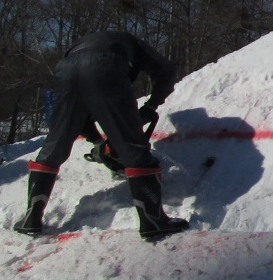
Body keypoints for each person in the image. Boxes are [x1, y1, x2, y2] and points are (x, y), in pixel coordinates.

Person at [14, 31, 189, 241]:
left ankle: (31, 219)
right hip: (105, 65)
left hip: (65, 69)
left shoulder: (83, 43)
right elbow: (167, 71)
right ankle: (153, 222)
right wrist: (151, 105)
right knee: (134, 148)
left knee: (55, 144)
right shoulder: (133, 43)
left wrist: (97, 140)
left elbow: (77, 119)